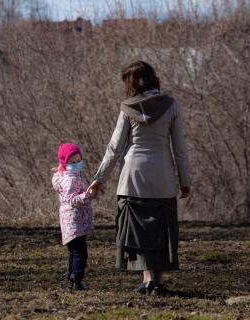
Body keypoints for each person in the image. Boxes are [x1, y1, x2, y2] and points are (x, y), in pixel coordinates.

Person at [87, 61, 191, 295]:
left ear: (131, 83)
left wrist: (99, 178)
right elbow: (180, 149)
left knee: (139, 231)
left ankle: (147, 280)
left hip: (132, 177)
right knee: (161, 230)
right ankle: (159, 281)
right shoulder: (171, 105)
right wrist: (185, 180)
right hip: (162, 176)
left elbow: (114, 148)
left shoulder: (127, 108)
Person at [52, 143, 96, 290]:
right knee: (80, 253)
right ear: (65, 163)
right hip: (74, 220)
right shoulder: (70, 179)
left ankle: (71, 277)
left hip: (74, 221)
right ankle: (77, 280)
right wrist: (87, 195)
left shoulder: (70, 175)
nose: (77, 164)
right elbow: (72, 200)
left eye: (78, 161)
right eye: (73, 162)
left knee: (74, 251)